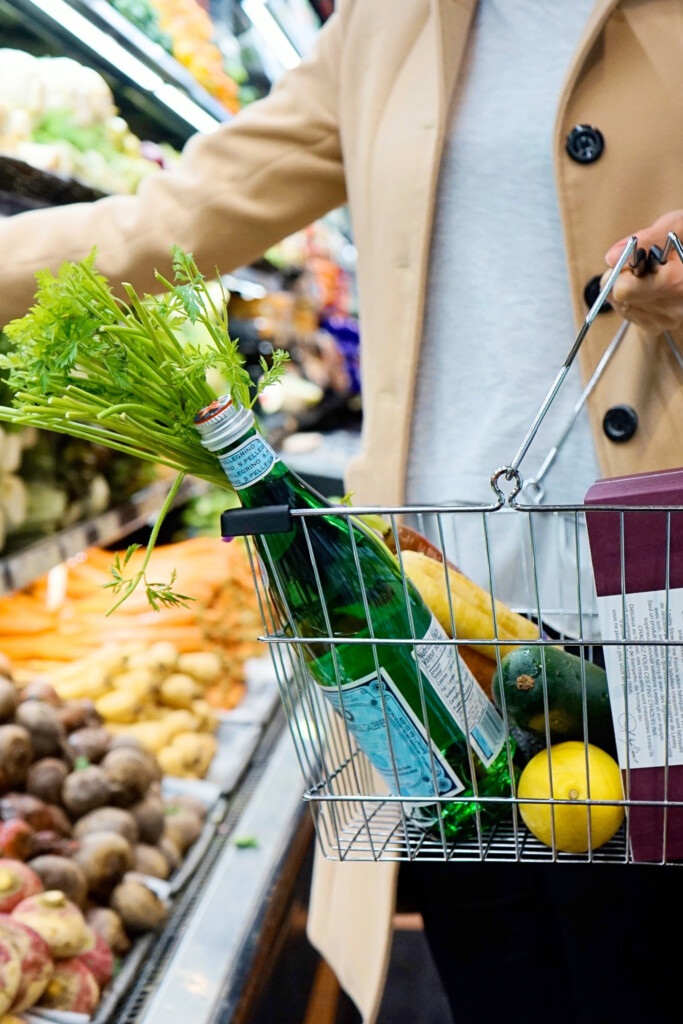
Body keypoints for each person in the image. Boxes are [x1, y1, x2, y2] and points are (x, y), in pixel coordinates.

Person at [2, 2, 683, 1021]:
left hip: (655, 635)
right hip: (431, 645)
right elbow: (165, 221)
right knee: (507, 985)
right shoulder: (391, 25)